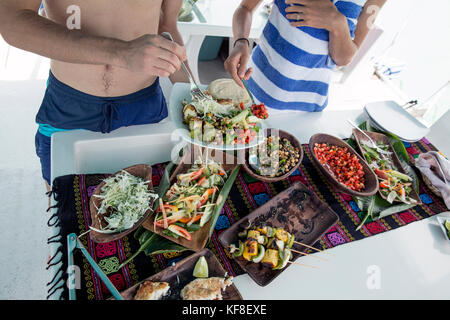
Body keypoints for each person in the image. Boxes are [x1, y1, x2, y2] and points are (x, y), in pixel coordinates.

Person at [0, 0, 189, 190]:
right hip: (69, 103)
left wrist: (195, 98)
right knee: (68, 204)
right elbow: (10, 20)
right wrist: (121, 53)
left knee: (147, 204)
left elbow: (166, 26)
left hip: (143, 105)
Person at [224, 0, 386, 112]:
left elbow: (344, 58)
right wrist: (241, 41)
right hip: (254, 90)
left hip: (309, 108)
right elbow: (245, 8)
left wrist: (337, 23)